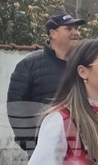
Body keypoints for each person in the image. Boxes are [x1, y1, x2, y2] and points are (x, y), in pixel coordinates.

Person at [7, 12, 84, 153]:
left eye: (76, 29)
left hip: (81, 150)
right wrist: (31, 144)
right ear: (53, 33)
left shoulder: (84, 66)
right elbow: (16, 107)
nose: (75, 33)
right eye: (69, 29)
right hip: (45, 149)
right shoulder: (29, 65)